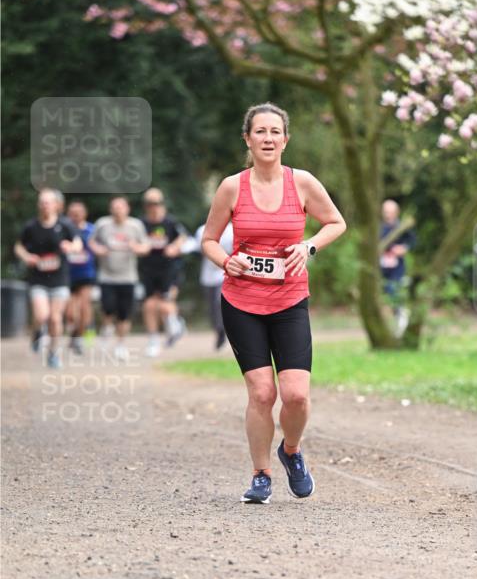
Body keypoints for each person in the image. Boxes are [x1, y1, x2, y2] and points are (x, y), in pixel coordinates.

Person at [202, 102, 346, 504]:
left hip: (289, 299)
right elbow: (209, 240)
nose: (268, 138)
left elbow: (336, 222)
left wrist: (309, 246)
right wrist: (228, 261)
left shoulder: (302, 183)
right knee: (262, 393)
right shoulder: (232, 187)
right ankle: (261, 473)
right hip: (242, 301)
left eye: (274, 132)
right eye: (260, 132)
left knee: (296, 395)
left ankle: (291, 452)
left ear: (286, 139)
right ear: (247, 139)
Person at [14, 188, 82, 368]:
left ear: (56, 205)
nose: (45, 205)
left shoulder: (65, 224)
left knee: (55, 318)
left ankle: (53, 353)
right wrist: (27, 257)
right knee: (42, 315)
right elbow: (19, 247)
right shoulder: (31, 226)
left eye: (48, 202)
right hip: (38, 279)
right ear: (39, 205)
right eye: (42, 202)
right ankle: (37, 332)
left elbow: (78, 243)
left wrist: (71, 247)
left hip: (60, 279)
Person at [89, 195, 150, 361]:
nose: (118, 210)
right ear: (111, 209)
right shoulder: (102, 224)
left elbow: (146, 247)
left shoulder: (135, 225)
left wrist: (136, 247)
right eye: (115, 207)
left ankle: (121, 345)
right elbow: (91, 242)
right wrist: (98, 250)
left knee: (124, 314)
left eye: (121, 207)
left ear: (127, 209)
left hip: (128, 277)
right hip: (106, 276)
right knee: (108, 308)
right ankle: (106, 330)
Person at [139, 188, 188, 357]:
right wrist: (139, 248)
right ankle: (153, 340)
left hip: (169, 268)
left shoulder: (171, 222)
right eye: (151, 203)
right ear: (146, 206)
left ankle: (175, 324)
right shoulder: (141, 224)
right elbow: (135, 241)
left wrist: (175, 247)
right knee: (149, 305)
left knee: (166, 303)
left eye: (157, 203)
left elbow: (184, 237)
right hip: (149, 269)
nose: (154, 207)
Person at [194, 220, 234, 350]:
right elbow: (198, 248)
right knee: (212, 307)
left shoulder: (232, 230)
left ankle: (227, 330)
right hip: (207, 275)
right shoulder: (202, 229)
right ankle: (219, 330)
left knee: (219, 303)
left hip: (224, 273)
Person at [64, 200, 96, 354]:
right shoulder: (64, 229)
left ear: (84, 214)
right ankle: (75, 333)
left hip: (86, 273)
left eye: (78, 213)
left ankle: (79, 338)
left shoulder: (92, 230)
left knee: (84, 307)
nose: (75, 216)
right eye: (72, 214)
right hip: (67, 274)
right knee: (70, 313)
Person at [379, 198, 415, 336]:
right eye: (385, 211)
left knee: (395, 292)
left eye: (390, 211)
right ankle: (392, 323)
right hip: (382, 268)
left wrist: (403, 249)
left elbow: (412, 242)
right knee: (386, 294)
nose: (387, 214)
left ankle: (401, 321)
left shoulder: (402, 227)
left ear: (396, 212)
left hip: (397, 269)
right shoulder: (380, 228)